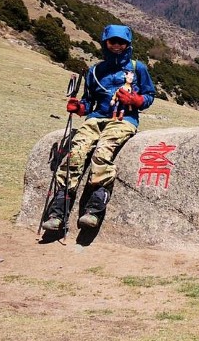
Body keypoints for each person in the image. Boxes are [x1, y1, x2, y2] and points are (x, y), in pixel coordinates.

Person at [42, 24, 155, 231]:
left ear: (128, 45)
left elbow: (149, 96)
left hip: (124, 120)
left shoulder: (138, 68)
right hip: (95, 118)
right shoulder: (95, 72)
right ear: (105, 43)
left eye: (122, 42)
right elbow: (88, 101)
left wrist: (136, 100)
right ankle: (58, 211)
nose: (117, 46)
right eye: (113, 42)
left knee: (102, 153)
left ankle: (94, 209)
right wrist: (79, 108)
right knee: (75, 154)